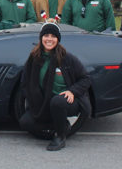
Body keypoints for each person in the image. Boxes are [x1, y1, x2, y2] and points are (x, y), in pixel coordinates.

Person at [19, 23, 91, 151]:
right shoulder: (34, 58)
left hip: (67, 101)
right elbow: (25, 81)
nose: (49, 39)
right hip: (44, 103)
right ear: (41, 38)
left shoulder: (67, 58)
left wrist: (72, 91)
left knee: (57, 101)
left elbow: (86, 79)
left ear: (58, 39)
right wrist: (31, 97)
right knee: (25, 122)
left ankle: (60, 135)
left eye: (53, 36)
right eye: (46, 35)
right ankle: (63, 125)